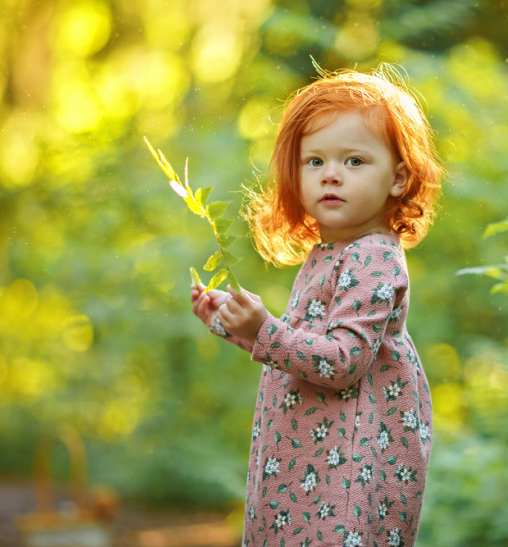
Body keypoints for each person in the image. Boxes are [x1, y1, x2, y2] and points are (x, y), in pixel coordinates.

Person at [190, 65, 443, 547]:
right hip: (307, 456)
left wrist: (265, 328)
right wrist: (238, 324)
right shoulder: (329, 253)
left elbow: (342, 360)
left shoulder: (373, 256)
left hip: (347, 467)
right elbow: (301, 350)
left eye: (354, 161)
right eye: (315, 162)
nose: (331, 174)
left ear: (397, 178)